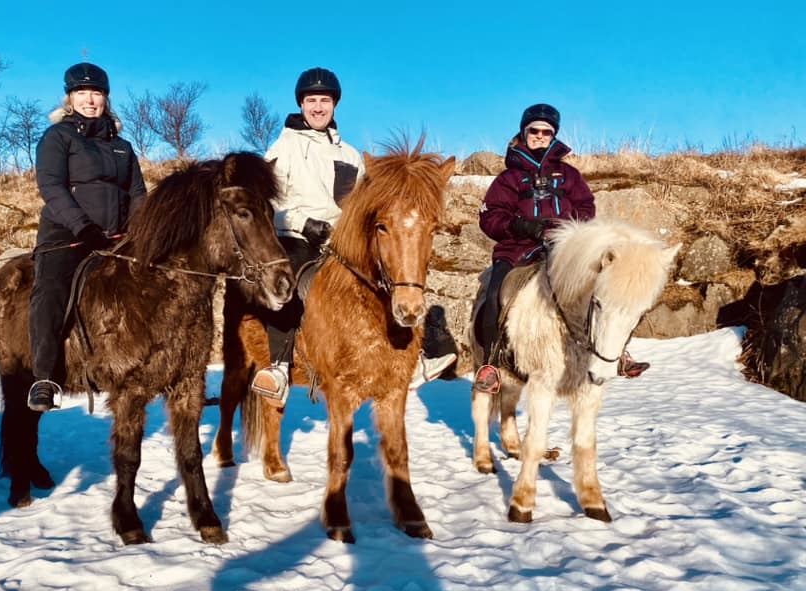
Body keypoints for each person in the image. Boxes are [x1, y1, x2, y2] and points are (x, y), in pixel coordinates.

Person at [250, 67, 456, 406]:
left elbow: (363, 209)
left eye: (325, 101)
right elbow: (268, 203)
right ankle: (280, 366)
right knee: (290, 285)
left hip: (338, 241)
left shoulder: (350, 154)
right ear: (301, 104)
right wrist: (303, 224)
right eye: (311, 100)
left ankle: (412, 355)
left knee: (385, 277)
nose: (318, 107)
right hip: (296, 236)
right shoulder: (281, 148)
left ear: (335, 105)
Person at [473, 103, 647, 394]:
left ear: (553, 136)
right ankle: (490, 364)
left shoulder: (569, 175)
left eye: (546, 131)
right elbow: (489, 217)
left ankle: (618, 353)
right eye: (534, 130)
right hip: (517, 251)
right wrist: (522, 226)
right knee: (494, 295)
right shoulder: (508, 179)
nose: (540, 136)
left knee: (606, 289)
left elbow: (585, 208)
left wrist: (569, 232)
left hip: (563, 251)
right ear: (523, 132)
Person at [27, 62, 147, 412]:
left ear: (106, 99)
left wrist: (137, 232)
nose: (90, 100)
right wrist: (84, 227)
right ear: (70, 98)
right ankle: (44, 377)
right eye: (82, 93)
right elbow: (51, 186)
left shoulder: (123, 146)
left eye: (96, 93)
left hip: (117, 237)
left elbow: (137, 193)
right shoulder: (58, 137)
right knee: (50, 290)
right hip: (68, 234)